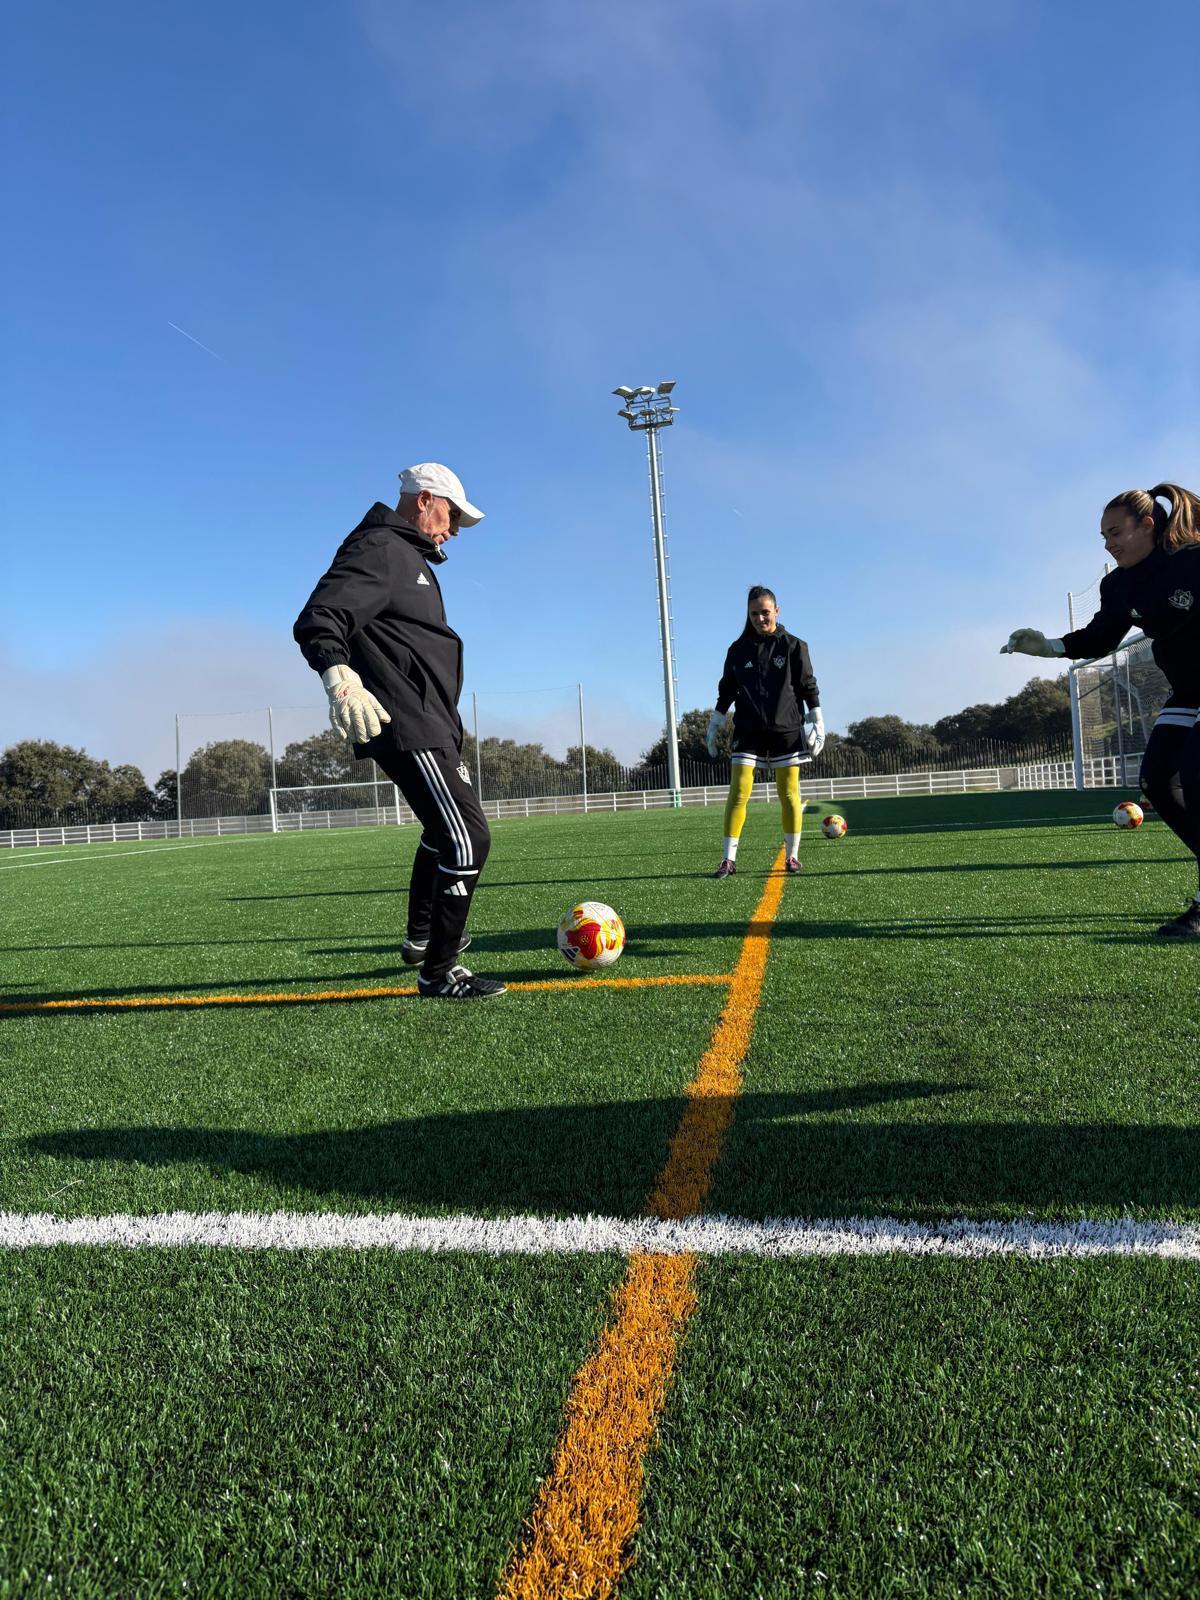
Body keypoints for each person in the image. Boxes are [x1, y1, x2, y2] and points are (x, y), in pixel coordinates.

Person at [293, 463, 506, 997]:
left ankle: (420, 939)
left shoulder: (406, 556)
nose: (453, 528)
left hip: (431, 719)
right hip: (408, 720)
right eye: (451, 514)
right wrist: (340, 678)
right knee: (468, 839)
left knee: (443, 833)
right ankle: (439, 972)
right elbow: (321, 614)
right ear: (425, 500)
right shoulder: (382, 549)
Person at [1002, 482, 1200, 938]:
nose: (1108, 545)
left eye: (1116, 533)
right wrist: (1048, 646)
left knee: (1197, 771)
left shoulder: (1193, 561)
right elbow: (1099, 637)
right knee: (1159, 782)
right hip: (1188, 692)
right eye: (1103, 537)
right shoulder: (1118, 585)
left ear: (1147, 526)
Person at [706, 585, 824, 878]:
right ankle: (728, 860)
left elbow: (807, 685)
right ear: (748, 614)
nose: (760, 618)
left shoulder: (794, 645)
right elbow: (727, 690)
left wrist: (817, 720)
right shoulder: (737, 650)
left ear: (777, 611)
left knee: (789, 794)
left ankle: (792, 857)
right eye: (754, 613)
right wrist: (716, 721)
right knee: (739, 793)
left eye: (765, 612)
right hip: (748, 730)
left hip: (786, 730)